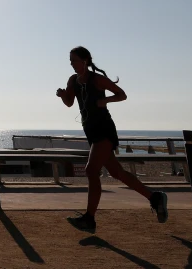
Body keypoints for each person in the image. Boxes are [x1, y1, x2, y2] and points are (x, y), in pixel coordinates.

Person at [56, 46, 168, 233]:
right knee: (117, 173)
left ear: (85, 61)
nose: (71, 64)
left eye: (74, 60)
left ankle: (89, 219)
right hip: (90, 131)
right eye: (70, 60)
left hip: (104, 129)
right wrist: (62, 96)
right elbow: (69, 103)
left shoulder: (97, 79)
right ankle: (154, 198)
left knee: (91, 170)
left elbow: (122, 94)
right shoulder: (73, 81)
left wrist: (105, 101)